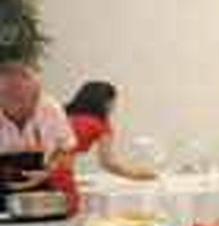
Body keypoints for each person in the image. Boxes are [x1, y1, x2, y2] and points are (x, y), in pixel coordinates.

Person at [51, 81, 157, 213]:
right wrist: (136, 175)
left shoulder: (62, 114)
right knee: (68, 218)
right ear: (107, 102)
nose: (114, 107)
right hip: (60, 177)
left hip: (40, 172)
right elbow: (108, 163)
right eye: (114, 103)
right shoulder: (100, 124)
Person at [0, 63, 75, 192]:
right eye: (11, 96)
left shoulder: (50, 109)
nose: (22, 104)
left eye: (29, 97)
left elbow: (66, 150)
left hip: (41, 185)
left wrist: (50, 171)